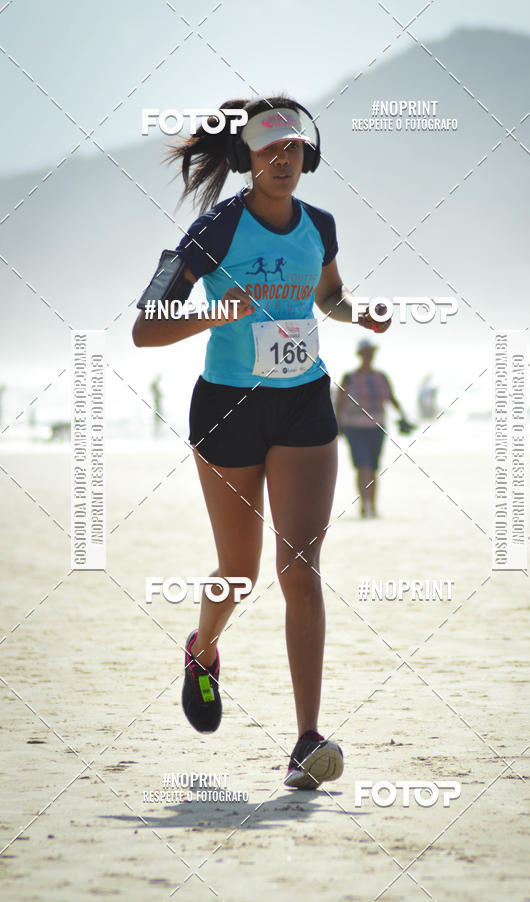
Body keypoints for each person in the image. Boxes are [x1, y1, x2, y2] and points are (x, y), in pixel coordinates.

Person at [132, 96, 390, 789]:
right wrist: (219, 311)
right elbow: (145, 328)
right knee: (239, 573)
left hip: (305, 404)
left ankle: (307, 741)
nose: (284, 161)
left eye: (295, 150)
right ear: (247, 158)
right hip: (227, 412)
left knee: (299, 567)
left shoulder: (321, 226)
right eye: (270, 150)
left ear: (308, 156)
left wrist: (360, 315)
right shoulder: (213, 230)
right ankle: (203, 647)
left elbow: (327, 295)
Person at [336, 339, 404, 518]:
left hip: (377, 427)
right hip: (354, 428)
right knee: (362, 466)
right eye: (366, 352)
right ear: (360, 354)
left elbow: (391, 398)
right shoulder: (349, 377)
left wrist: (403, 416)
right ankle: (365, 505)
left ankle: (372, 506)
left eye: (371, 352)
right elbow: (340, 402)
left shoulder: (381, 377)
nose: (369, 355)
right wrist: (337, 424)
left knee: (373, 467)